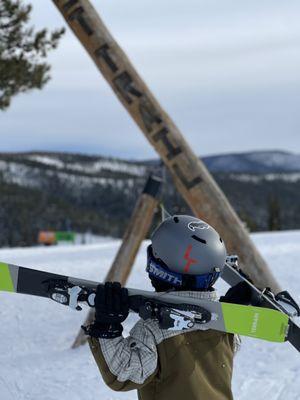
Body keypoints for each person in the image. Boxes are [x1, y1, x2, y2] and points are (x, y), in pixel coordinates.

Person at [85, 215, 248, 400]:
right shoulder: (224, 322)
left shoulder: (154, 329)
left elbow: (124, 374)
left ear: (159, 268)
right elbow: (233, 345)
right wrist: (232, 310)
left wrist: (107, 328)